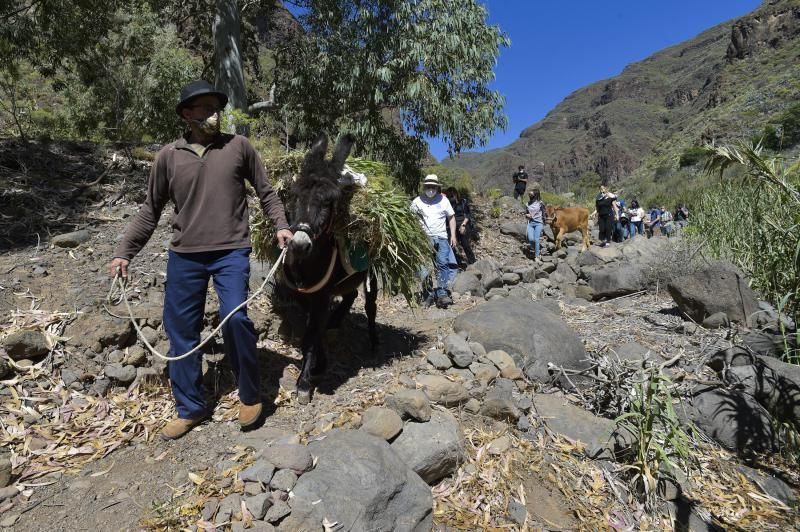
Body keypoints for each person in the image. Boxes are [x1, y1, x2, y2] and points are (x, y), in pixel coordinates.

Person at [108, 80, 294, 440]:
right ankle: (190, 408)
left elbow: (266, 192)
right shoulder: (168, 156)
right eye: (205, 108)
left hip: (231, 251)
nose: (213, 114)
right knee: (181, 331)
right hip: (185, 256)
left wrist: (281, 226)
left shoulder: (239, 147)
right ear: (187, 114)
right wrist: (123, 252)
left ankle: (250, 395)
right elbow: (150, 211)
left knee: (236, 318)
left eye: (216, 108)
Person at [411, 174, 457, 308]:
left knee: (443, 264)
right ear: (424, 186)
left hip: (441, 238)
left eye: (433, 186)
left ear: (437, 187)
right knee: (423, 268)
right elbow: (410, 219)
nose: (430, 189)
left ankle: (442, 294)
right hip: (423, 238)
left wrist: (453, 235)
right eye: (428, 186)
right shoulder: (417, 201)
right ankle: (428, 294)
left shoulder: (444, 200)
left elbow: (452, 217)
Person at [445, 187, 476, 266]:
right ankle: (456, 263)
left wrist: (463, 225)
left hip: (463, 225)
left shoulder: (463, 202)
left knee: (465, 244)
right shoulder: (446, 203)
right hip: (452, 227)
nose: (451, 197)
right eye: (449, 195)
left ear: (456, 194)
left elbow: (468, 214)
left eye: (452, 195)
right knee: (451, 245)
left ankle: (473, 262)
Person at [525, 184, 546, 259]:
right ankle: (537, 250)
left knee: (536, 239)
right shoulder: (527, 204)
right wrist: (527, 215)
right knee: (530, 239)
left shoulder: (540, 203)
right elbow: (526, 213)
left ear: (535, 195)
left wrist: (544, 221)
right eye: (529, 194)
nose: (529, 194)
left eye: (531, 193)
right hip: (530, 223)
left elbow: (544, 213)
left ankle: (537, 256)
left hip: (538, 223)